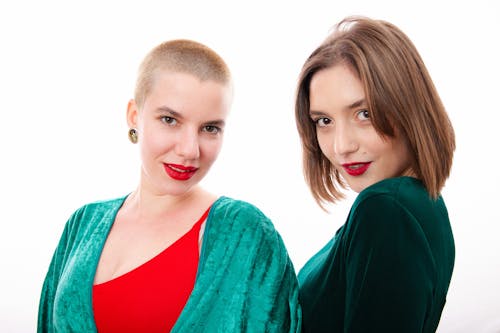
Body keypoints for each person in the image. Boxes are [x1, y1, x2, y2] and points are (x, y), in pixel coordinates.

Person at [38, 39, 301, 332]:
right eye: (170, 120)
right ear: (134, 116)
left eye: (210, 128)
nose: (190, 150)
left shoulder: (245, 233)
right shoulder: (82, 225)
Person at [295, 16, 455, 332]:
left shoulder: (387, 209)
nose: (341, 146)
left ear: (408, 107)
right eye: (324, 121)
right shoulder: (419, 207)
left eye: (364, 114)